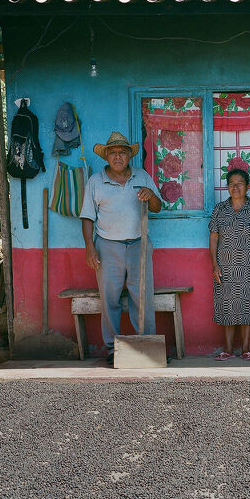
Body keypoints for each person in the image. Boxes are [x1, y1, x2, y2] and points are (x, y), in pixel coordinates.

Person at [80, 131, 162, 364]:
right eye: (113, 152)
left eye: (122, 152)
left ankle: (146, 345)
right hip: (107, 246)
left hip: (139, 244)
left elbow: (157, 207)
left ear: (129, 155)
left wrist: (150, 195)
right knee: (110, 299)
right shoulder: (95, 181)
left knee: (142, 296)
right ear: (106, 156)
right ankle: (112, 349)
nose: (118, 156)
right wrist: (89, 247)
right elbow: (87, 218)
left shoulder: (141, 176)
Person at [209, 167, 250, 361]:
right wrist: (215, 265)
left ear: (247, 187)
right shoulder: (220, 209)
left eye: (240, 184)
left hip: (249, 268)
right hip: (225, 267)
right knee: (227, 305)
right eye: (231, 184)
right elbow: (213, 237)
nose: (235, 187)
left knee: (247, 305)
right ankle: (228, 350)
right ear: (227, 187)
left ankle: (246, 349)